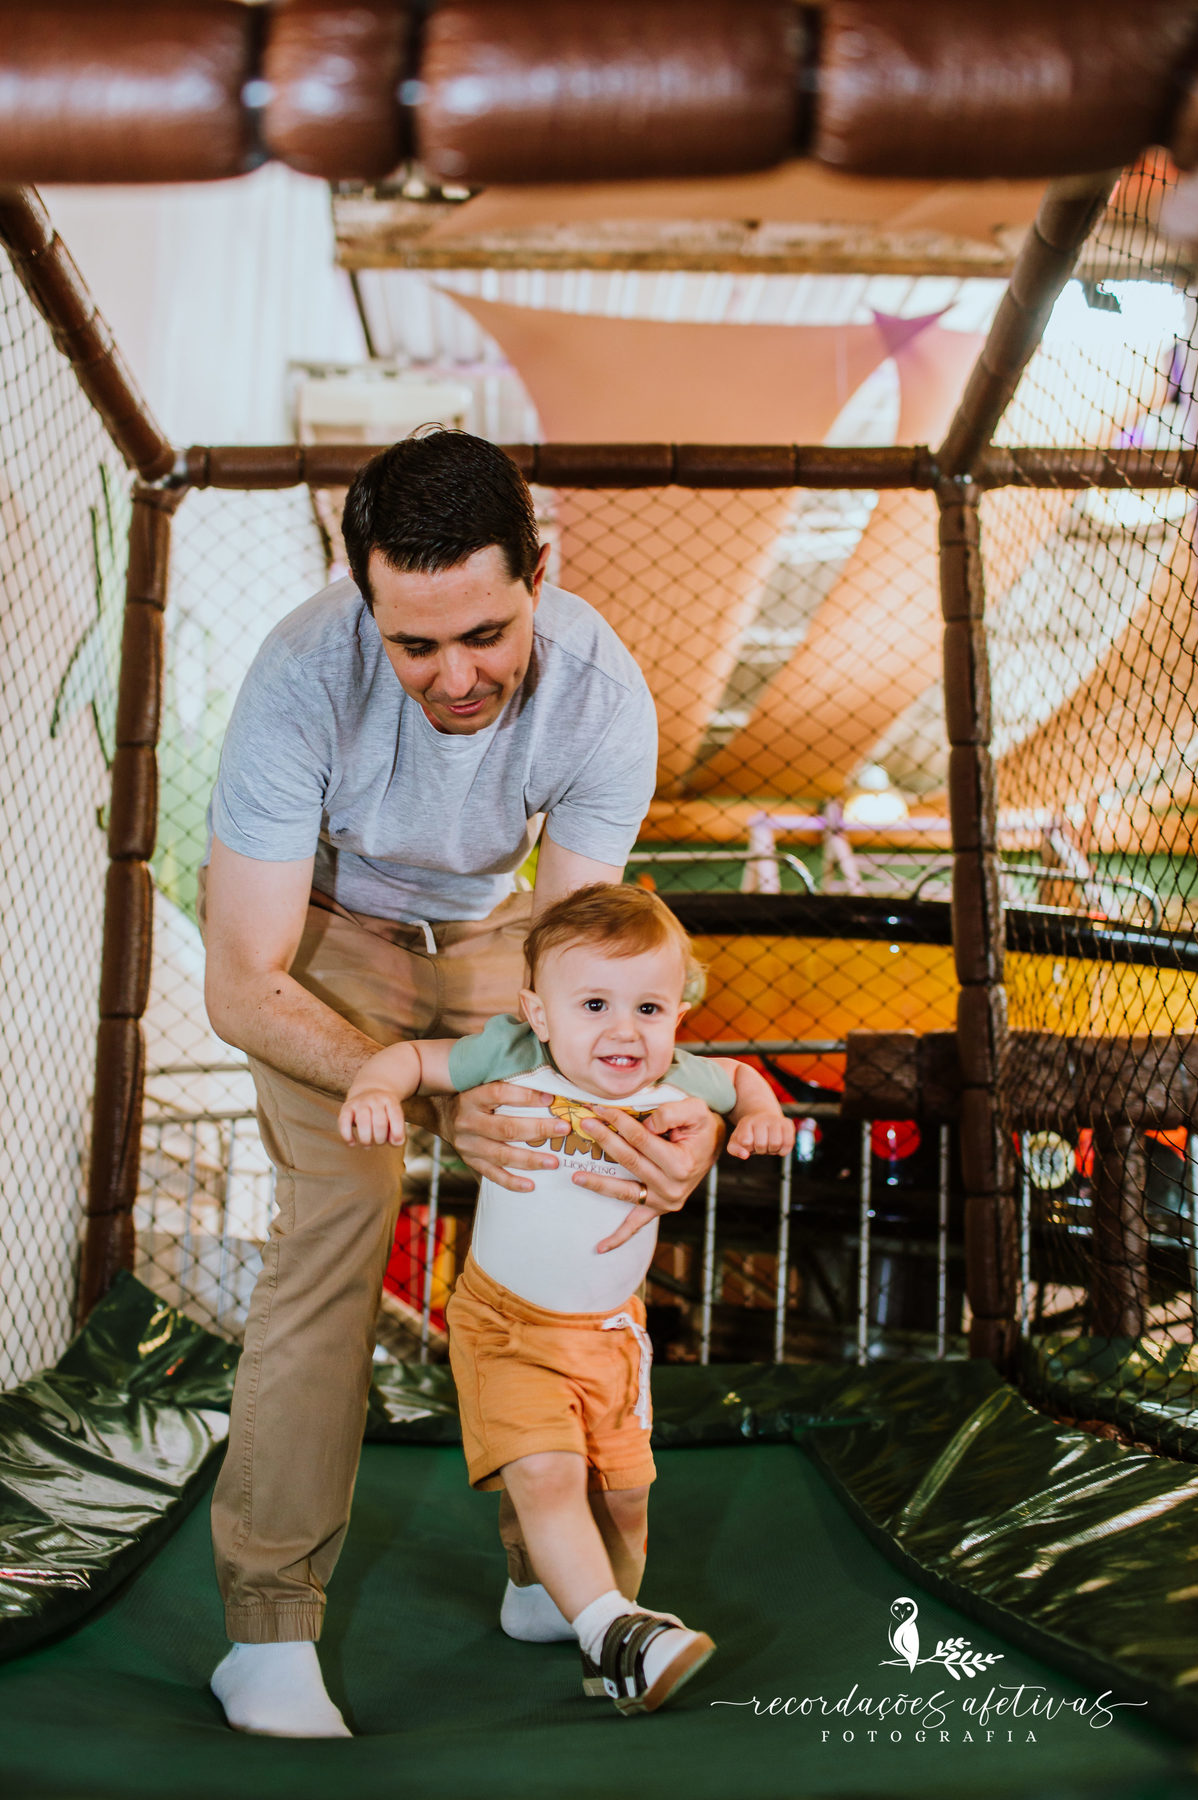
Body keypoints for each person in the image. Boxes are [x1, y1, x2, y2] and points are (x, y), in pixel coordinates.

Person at [201, 430, 723, 1737]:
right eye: (413, 644)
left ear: (537, 574)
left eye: (484, 633)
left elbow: (584, 979)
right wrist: (431, 1095)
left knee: (564, 1186)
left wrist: (656, 1125)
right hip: (330, 949)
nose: (454, 676)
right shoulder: (299, 675)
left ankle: (552, 1581)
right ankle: (268, 1630)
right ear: (363, 603)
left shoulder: (602, 695)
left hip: (508, 949)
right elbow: (241, 980)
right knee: (342, 1219)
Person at [339, 883, 795, 1716]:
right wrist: (374, 1090)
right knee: (547, 1475)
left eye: (649, 1007)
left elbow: (740, 1076)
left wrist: (764, 1113)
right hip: (508, 1325)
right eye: (593, 1004)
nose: (624, 1030)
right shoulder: (514, 1055)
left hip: (613, 1335)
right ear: (537, 1012)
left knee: (622, 1499)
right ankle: (618, 1631)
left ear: (675, 1014)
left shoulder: (676, 1077)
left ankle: (589, 1625)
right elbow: (412, 1058)